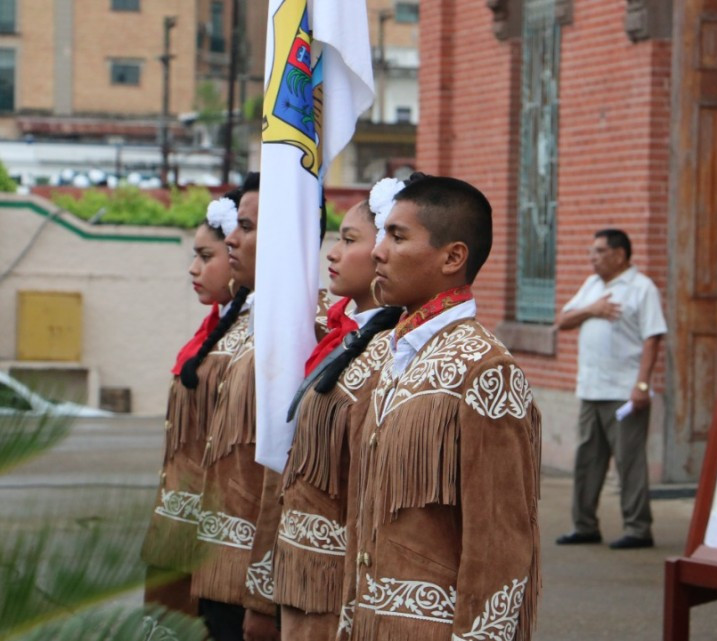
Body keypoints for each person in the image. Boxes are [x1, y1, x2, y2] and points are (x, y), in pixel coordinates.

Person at [338, 174, 541, 641]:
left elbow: (501, 543)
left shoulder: (486, 368)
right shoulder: (393, 355)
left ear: (453, 257)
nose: (377, 251)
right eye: (382, 233)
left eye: (397, 236)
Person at [273, 194, 402, 640]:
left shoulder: (397, 352)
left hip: (343, 572)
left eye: (349, 239)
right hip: (298, 561)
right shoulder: (338, 335)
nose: (333, 252)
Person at [140, 190, 244, 615]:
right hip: (178, 529)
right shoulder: (215, 328)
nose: (193, 268)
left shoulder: (260, 335)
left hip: (214, 536)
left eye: (206, 255)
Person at [191, 173, 279, 641]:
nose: (232, 239)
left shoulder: (305, 331)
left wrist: (264, 594)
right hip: (216, 556)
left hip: (258, 571)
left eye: (246, 226)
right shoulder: (244, 325)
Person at [554, 229, 666, 550]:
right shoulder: (592, 286)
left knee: (629, 462)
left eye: (599, 251)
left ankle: (638, 528)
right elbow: (563, 320)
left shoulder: (641, 289)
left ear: (619, 254)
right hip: (590, 388)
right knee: (587, 461)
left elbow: (653, 337)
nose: (592, 257)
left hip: (624, 392)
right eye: (592, 251)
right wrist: (593, 310)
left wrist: (642, 385)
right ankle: (584, 525)